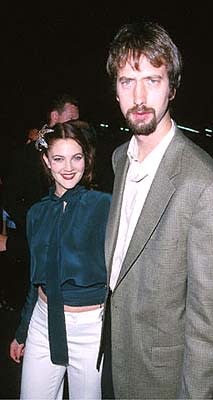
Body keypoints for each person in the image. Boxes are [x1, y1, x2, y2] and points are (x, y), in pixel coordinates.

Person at [98, 21, 213, 399]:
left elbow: (212, 322)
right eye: (127, 81)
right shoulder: (118, 160)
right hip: (111, 359)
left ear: (172, 88)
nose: (139, 96)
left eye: (153, 80)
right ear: (115, 89)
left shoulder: (202, 184)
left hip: (159, 380)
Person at [9, 120, 111, 399]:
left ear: (86, 159)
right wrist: (22, 332)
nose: (68, 167)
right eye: (59, 158)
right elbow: (36, 278)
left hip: (89, 330)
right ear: (46, 161)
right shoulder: (36, 213)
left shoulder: (104, 206)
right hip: (43, 322)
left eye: (76, 157)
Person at [0, 93, 80, 256]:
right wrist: (36, 224)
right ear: (54, 116)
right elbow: (10, 198)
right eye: (71, 119)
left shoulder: (77, 153)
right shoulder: (28, 153)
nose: (76, 126)